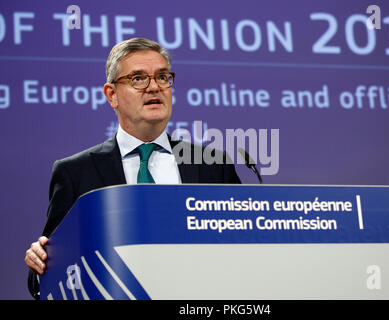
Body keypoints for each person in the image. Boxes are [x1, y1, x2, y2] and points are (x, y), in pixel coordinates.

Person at [24, 38, 241, 299]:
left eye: (162, 77)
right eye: (138, 78)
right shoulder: (75, 173)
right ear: (112, 95)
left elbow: (242, 250)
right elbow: (53, 266)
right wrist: (40, 265)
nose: (154, 87)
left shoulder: (213, 166)